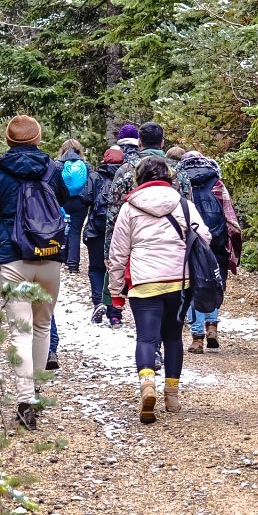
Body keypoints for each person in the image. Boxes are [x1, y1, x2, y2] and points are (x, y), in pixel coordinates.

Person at [0, 115, 72, 431]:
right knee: (42, 325)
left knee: (21, 330)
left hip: (13, 258)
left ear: (9, 139)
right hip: (50, 254)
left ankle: (25, 397)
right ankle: (37, 393)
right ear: (38, 138)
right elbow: (65, 202)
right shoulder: (52, 170)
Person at [108, 156, 211, 424]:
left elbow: (118, 253)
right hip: (179, 281)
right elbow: (205, 237)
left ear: (139, 178)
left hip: (144, 282)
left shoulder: (129, 208)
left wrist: (116, 293)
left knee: (146, 339)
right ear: (169, 177)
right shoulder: (183, 204)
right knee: (173, 337)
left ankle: (147, 386)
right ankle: (172, 395)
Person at [104, 123, 194, 346]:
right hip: (175, 251)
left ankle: (150, 346)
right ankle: (161, 346)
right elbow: (190, 210)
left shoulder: (126, 171)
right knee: (171, 308)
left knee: (144, 301)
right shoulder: (178, 172)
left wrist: (109, 251)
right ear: (163, 142)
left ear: (140, 143)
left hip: (137, 249)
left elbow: (114, 213)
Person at [177, 151, 244, 353]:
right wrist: (234, 247)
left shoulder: (180, 183)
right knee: (215, 283)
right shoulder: (216, 184)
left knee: (190, 288)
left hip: (190, 242)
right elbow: (230, 217)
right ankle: (212, 326)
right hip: (217, 243)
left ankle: (197, 338)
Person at [83, 147, 123, 324]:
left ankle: (98, 302)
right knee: (116, 269)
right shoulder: (126, 175)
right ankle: (115, 312)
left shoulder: (95, 176)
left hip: (96, 230)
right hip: (119, 231)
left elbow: (85, 198)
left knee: (96, 268)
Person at [55, 139, 92, 273]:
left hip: (62, 202)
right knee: (75, 232)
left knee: (62, 230)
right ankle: (73, 265)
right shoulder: (85, 165)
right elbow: (91, 183)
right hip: (80, 202)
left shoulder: (58, 164)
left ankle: (62, 258)